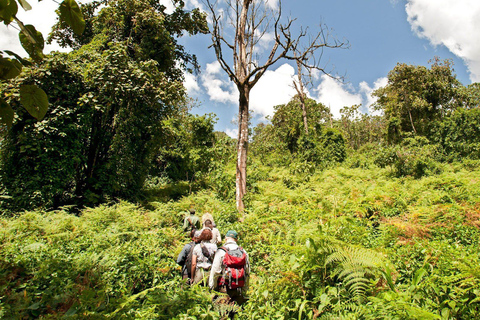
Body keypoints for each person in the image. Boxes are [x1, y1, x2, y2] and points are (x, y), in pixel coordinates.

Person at [209, 230, 250, 307]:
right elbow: (247, 271)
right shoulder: (243, 251)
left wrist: (212, 286)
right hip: (239, 288)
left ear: (226, 238)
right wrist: (245, 288)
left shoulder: (221, 251)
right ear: (236, 239)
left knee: (223, 314)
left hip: (224, 287)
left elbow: (216, 270)